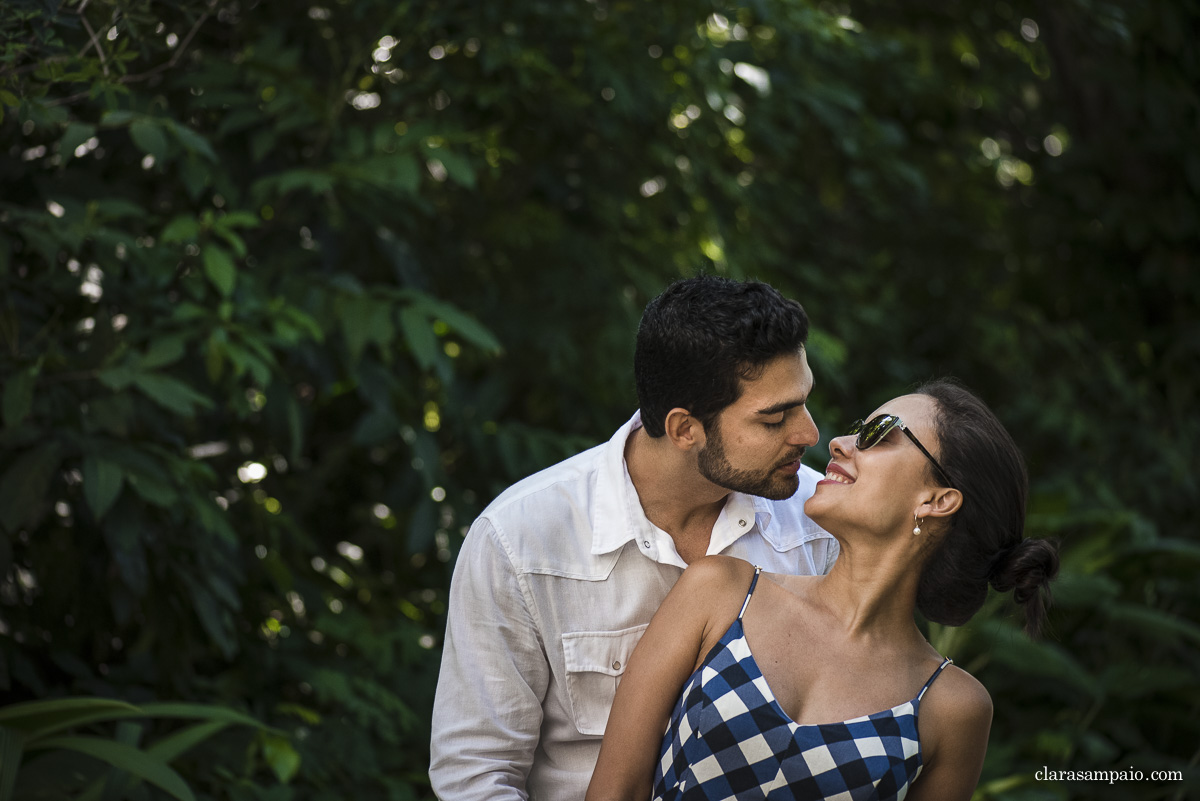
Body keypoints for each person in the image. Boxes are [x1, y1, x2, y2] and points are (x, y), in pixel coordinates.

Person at [430, 276, 840, 800]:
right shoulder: (520, 539)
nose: (809, 433)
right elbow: (476, 775)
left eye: (803, 402)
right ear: (684, 428)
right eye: (774, 418)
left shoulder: (818, 519)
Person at [586, 379, 1059, 801]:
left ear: (937, 500)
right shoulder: (720, 591)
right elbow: (617, 790)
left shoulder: (952, 709)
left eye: (876, 435)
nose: (837, 442)